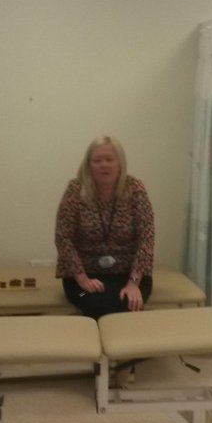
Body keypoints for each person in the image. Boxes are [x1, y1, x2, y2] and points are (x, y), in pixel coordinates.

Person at [55, 135, 156, 318]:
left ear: (120, 163)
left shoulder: (135, 188)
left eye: (109, 159)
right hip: (83, 280)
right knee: (93, 303)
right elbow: (63, 238)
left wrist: (133, 283)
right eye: (97, 160)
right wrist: (82, 279)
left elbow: (146, 238)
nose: (104, 165)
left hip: (131, 276)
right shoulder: (75, 189)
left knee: (128, 302)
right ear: (88, 165)